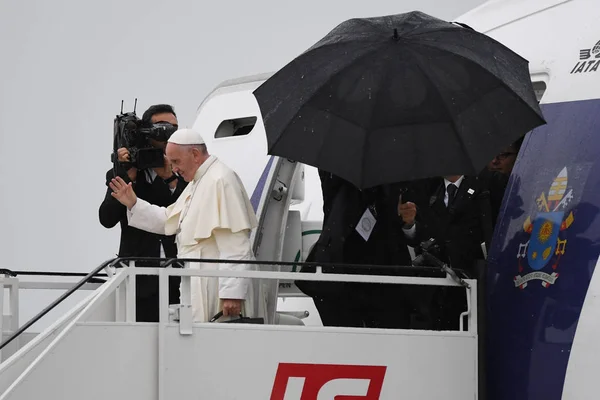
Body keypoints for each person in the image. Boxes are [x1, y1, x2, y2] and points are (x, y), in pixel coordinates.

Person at [107, 128, 266, 322]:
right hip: (198, 280)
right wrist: (133, 202)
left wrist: (232, 293)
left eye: (176, 162)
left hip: (217, 286)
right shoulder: (197, 181)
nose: (173, 169)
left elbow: (235, 243)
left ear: (195, 154)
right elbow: (168, 219)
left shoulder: (220, 179)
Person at [99, 104, 187, 322]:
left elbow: (184, 214)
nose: (168, 132)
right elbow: (106, 218)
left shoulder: (185, 170)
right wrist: (128, 176)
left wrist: (169, 178)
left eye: (174, 127)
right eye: (162, 127)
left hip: (178, 276)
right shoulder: (125, 171)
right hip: (137, 277)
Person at [295, 170, 414, 329]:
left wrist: (409, 223)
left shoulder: (397, 172)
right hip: (341, 271)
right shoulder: (338, 171)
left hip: (388, 274)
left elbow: (417, 224)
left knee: (389, 344)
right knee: (346, 345)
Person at [398, 172, 506, 330]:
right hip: (436, 287)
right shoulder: (426, 188)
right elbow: (419, 236)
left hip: (471, 281)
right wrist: (409, 224)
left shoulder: (485, 186)